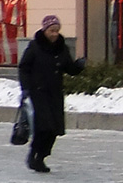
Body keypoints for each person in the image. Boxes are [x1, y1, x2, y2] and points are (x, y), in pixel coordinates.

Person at [18, 14, 85, 172]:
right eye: (51, 30)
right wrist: (26, 88)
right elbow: (24, 68)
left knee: (54, 129)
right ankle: (34, 153)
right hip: (38, 93)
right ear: (45, 29)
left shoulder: (62, 47)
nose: (54, 34)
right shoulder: (35, 47)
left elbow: (69, 68)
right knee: (44, 127)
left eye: (56, 30)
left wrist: (79, 66)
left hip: (55, 94)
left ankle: (41, 157)